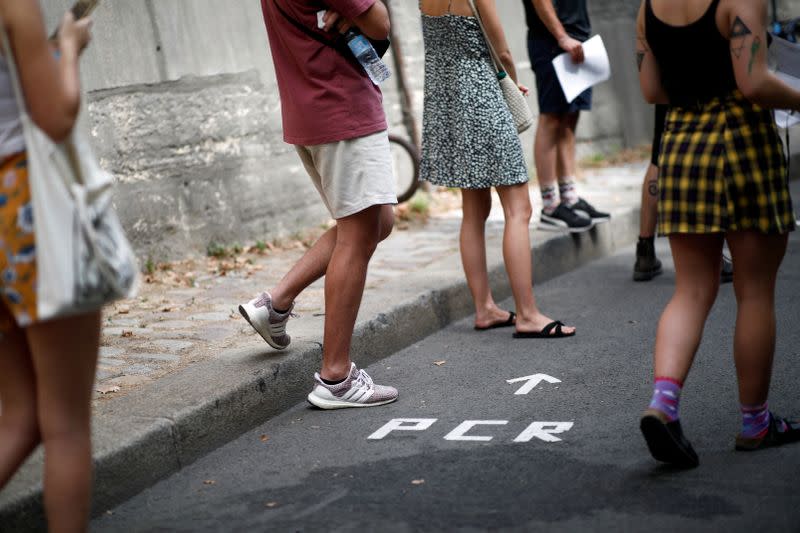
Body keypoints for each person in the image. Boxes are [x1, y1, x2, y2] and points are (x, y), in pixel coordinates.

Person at [637, 0, 800, 468]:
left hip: (683, 146)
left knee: (690, 290)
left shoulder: (648, 8)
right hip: (743, 142)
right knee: (754, 292)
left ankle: (663, 406)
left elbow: (652, 91)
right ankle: (755, 424)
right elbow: (753, 83)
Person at [246, 0, 398, 410]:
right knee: (359, 234)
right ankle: (336, 376)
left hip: (310, 108)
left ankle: (275, 304)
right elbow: (380, 22)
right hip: (341, 106)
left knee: (378, 221)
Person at [419, 0, 576, 339]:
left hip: (448, 101)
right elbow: (502, 52)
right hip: (483, 99)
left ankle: (485, 308)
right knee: (519, 208)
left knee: (473, 210)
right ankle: (529, 314)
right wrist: (512, 86)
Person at [0, 3, 99, 531]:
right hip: (24, 208)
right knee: (65, 425)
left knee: (18, 419)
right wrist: (69, 49)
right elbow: (55, 117)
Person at [523, 0, 610, 232]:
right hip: (551, 41)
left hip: (577, 39)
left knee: (569, 119)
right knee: (551, 119)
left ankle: (569, 198)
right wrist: (561, 36)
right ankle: (551, 206)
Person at [634, 104, 735, 283]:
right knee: (703, 146)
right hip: (697, 90)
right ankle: (715, 257)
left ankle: (645, 251)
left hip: (667, 83)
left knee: (658, 154)